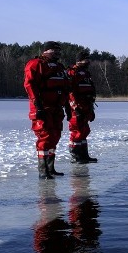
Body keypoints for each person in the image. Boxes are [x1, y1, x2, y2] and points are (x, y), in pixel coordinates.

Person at [24, 41, 70, 179]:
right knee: (45, 137)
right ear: (46, 51)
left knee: (55, 137)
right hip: (43, 108)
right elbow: (30, 85)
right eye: (54, 50)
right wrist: (38, 106)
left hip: (56, 109)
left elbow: (66, 89)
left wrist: (68, 108)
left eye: (59, 51)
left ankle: (51, 168)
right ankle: (43, 171)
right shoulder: (36, 64)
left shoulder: (60, 67)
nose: (57, 53)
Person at [67, 50, 98, 164]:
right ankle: (75, 156)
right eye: (86, 59)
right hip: (77, 107)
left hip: (86, 106)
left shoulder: (86, 74)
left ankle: (84, 155)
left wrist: (91, 108)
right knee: (77, 131)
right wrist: (75, 107)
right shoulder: (72, 73)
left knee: (84, 131)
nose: (88, 62)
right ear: (79, 60)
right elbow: (69, 93)